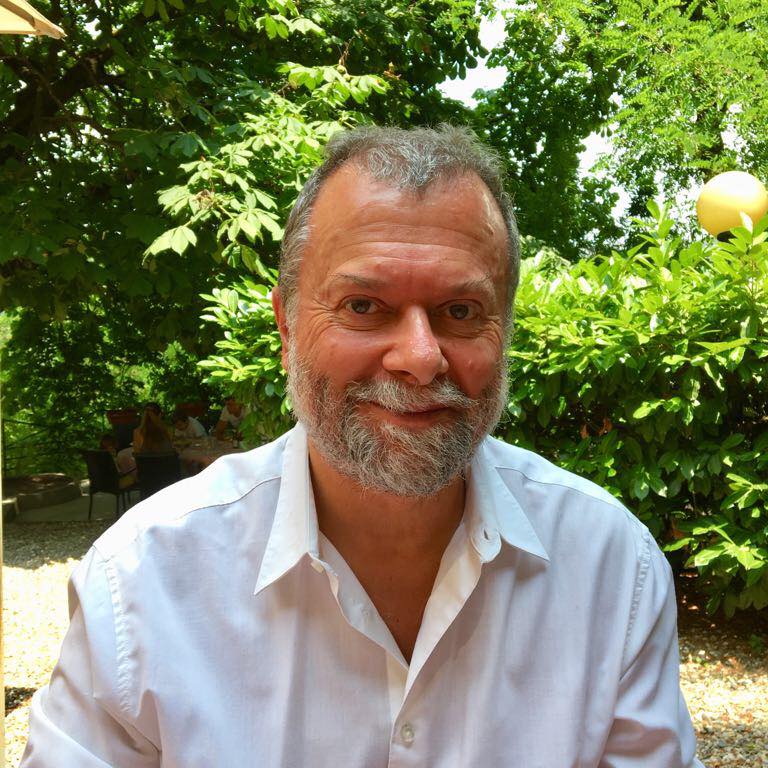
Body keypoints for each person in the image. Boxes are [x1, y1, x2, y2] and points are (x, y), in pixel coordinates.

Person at [21, 126, 705, 767]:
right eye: (363, 306)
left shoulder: (612, 567)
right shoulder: (143, 582)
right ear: (287, 326)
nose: (420, 358)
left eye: (460, 312)